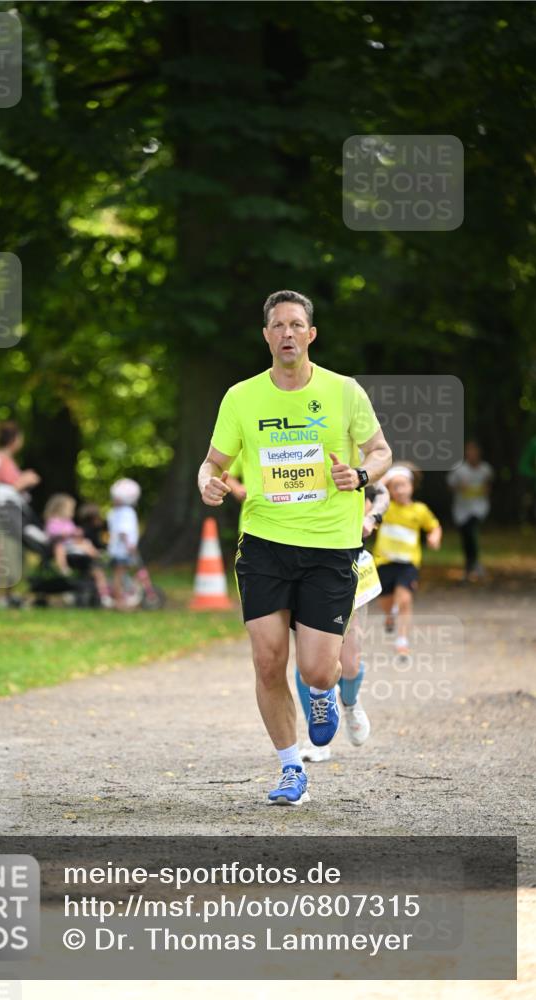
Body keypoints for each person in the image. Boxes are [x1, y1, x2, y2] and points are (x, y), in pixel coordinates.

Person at [198, 289, 392, 806]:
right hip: (264, 543)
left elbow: (380, 449)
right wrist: (207, 480)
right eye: (278, 325)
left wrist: (363, 474)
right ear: (266, 335)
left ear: (311, 334)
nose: (287, 333)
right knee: (266, 661)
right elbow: (212, 462)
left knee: (316, 669)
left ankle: (324, 693)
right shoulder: (241, 398)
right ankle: (290, 769)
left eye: (296, 325)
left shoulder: (344, 391)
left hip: (331, 546)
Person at [297, 482, 388, 762]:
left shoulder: (351, 453)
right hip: (300, 562)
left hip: (348, 564)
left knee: (348, 660)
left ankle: (348, 702)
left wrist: (371, 517)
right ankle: (317, 738)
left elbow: (381, 492)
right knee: (307, 657)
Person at [374, 465, 442, 657]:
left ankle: (402, 640)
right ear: (389, 489)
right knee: (385, 601)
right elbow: (367, 509)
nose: (400, 490)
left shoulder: (419, 510)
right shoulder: (385, 508)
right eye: (395, 486)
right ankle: (390, 615)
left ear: (411, 486)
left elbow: (434, 526)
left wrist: (434, 537)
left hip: (408, 564)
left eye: (403, 485)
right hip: (384, 562)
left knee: (404, 599)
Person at [0, 421, 41, 606]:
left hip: (13, 513)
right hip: (5, 515)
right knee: (6, 554)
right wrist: (25, 480)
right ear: (14, 439)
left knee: (15, 554)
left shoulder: (7, 459)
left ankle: (7, 596)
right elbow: (2, 489)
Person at [43, 493, 113, 606]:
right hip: (64, 548)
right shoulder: (53, 521)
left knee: (86, 543)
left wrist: (77, 534)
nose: (72, 512)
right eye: (70, 509)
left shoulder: (69, 523)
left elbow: (76, 534)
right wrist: (68, 534)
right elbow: (53, 534)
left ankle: (98, 556)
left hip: (74, 546)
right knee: (59, 546)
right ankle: (63, 568)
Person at [446, 441, 493, 581]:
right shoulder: (459, 469)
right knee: (466, 536)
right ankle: (471, 563)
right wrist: (460, 487)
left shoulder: (485, 469)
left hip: (479, 507)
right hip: (462, 509)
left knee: (472, 531)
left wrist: (485, 489)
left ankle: (473, 564)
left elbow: (489, 486)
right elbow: (450, 486)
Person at [107, 478, 142, 609]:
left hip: (115, 549)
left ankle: (121, 597)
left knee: (119, 574)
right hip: (123, 550)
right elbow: (124, 531)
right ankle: (119, 601)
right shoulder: (128, 512)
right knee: (119, 575)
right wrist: (130, 546)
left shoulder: (113, 512)